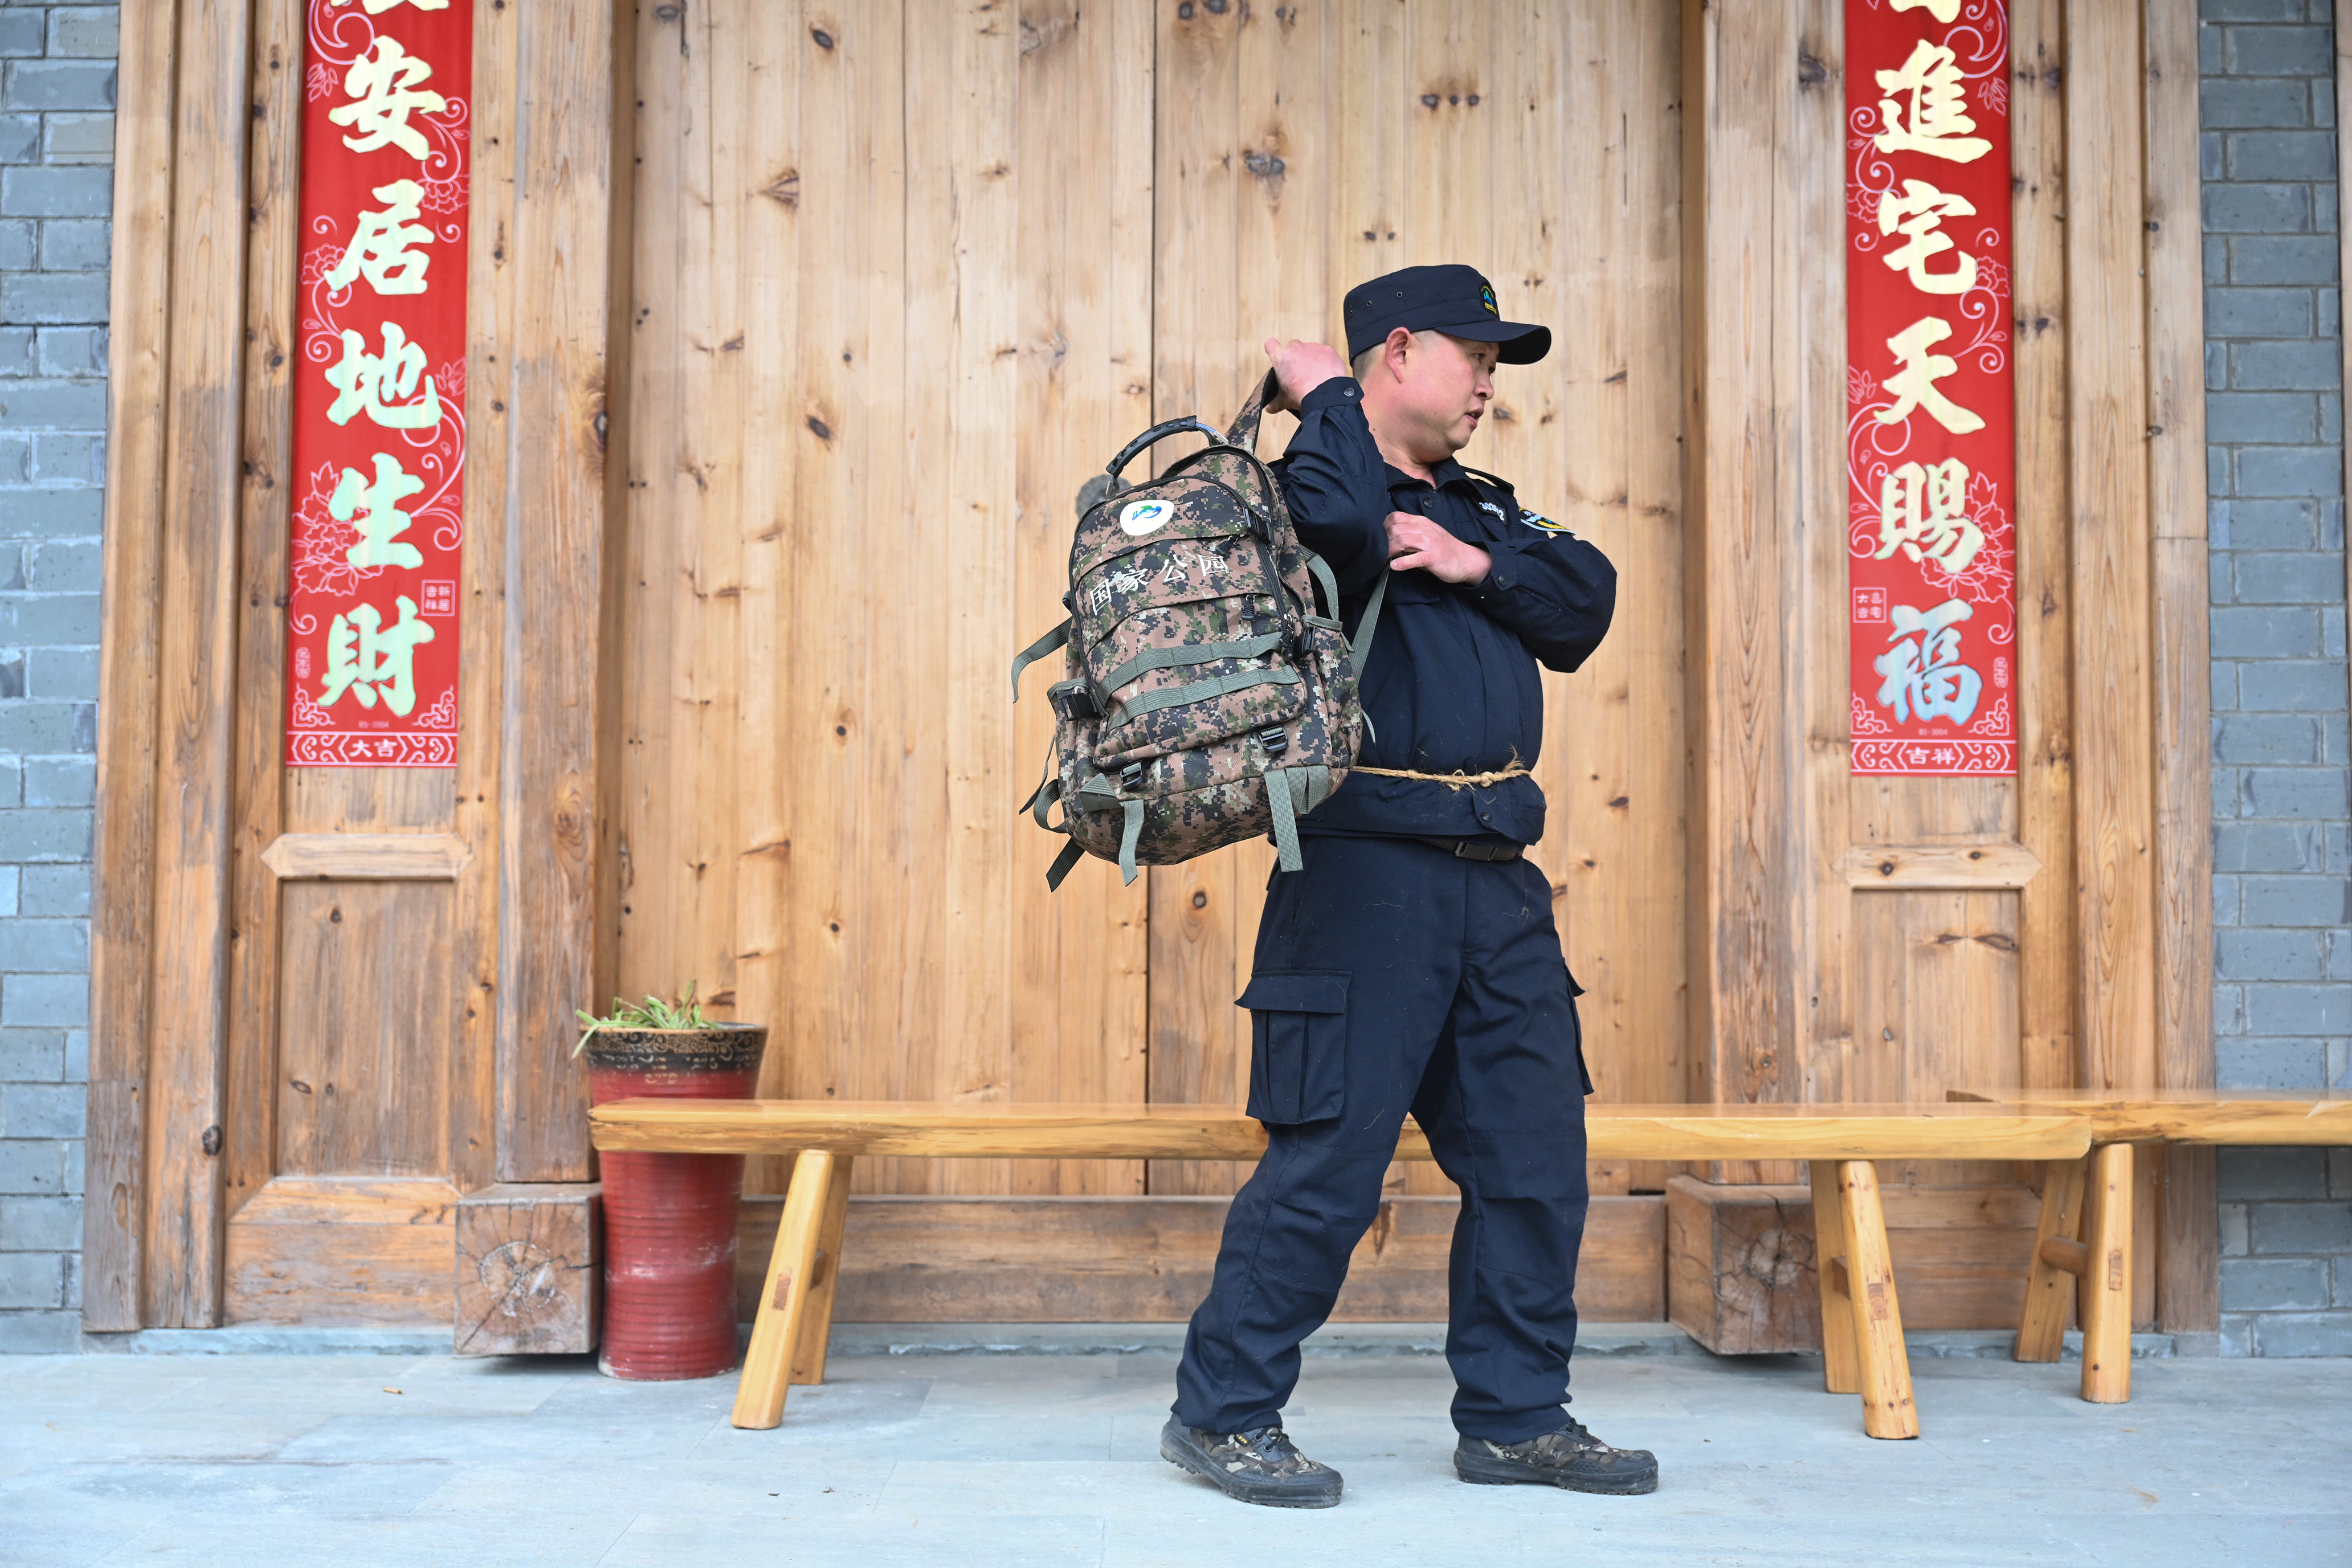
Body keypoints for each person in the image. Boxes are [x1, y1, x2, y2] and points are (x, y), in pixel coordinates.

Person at [1158, 265, 1654, 1507]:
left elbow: (1583, 600)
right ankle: (1221, 1414)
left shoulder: (1479, 508)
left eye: (1499, 363)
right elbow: (1329, 526)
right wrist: (1321, 397)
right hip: (1364, 879)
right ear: (1396, 353)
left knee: (1536, 1158)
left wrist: (1469, 561)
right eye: (1472, 355)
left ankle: (1517, 1415)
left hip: (1498, 878)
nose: (1489, 381)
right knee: (1329, 1163)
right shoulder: (1307, 483)